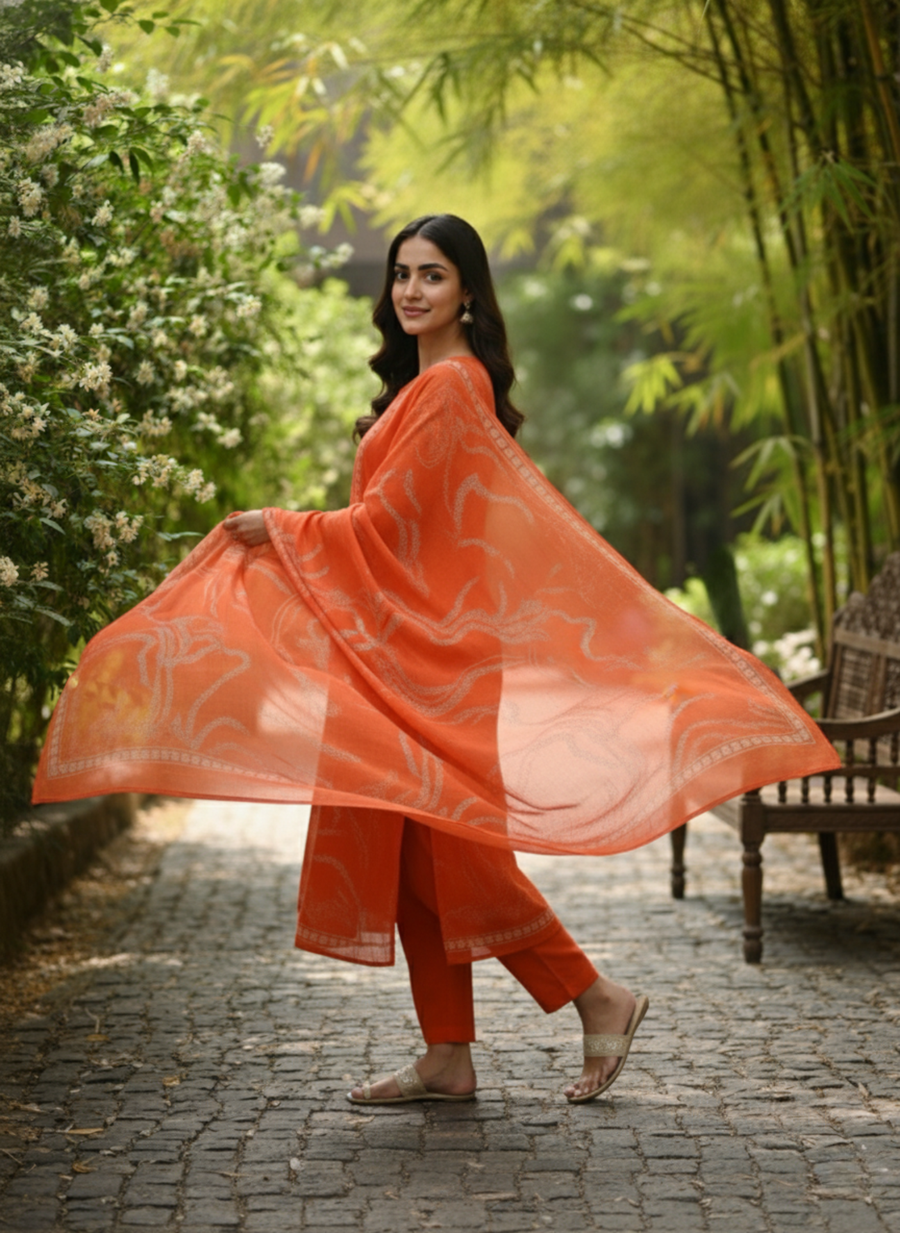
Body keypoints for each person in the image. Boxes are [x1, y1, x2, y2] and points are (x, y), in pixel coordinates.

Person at [33, 214, 840, 1106]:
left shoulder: (454, 386)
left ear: (468, 293)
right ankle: (448, 1055)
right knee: (407, 854)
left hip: (434, 659)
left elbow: (386, 527)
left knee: (453, 859)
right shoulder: (423, 389)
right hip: (396, 648)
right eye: (402, 274)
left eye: (434, 276)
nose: (412, 291)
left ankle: (592, 992)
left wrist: (284, 529)